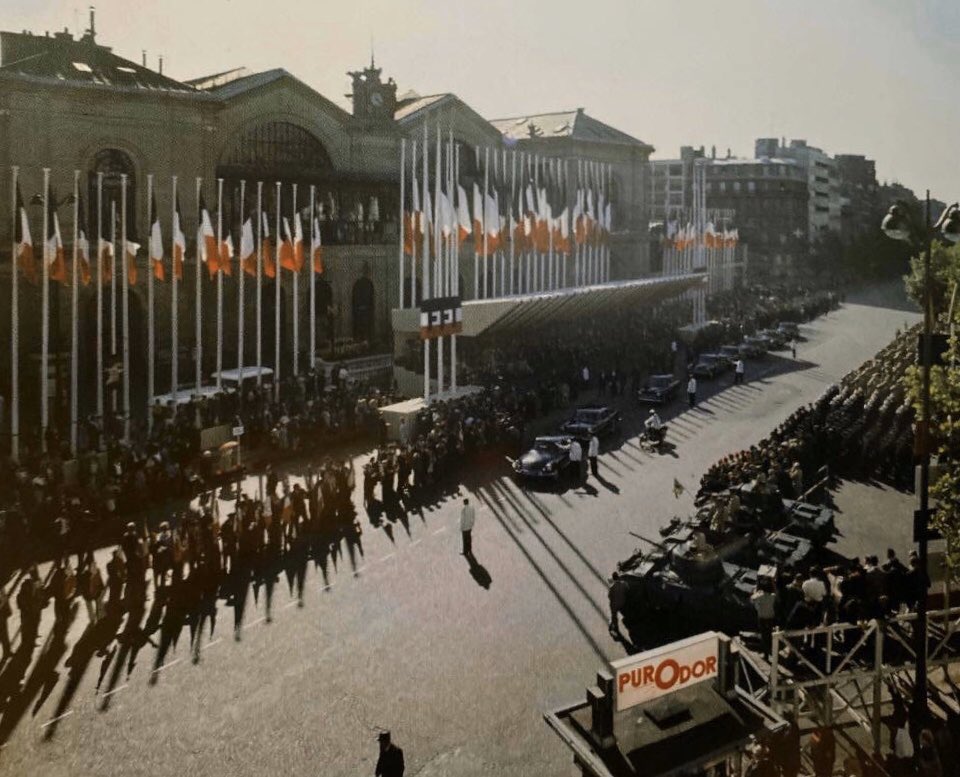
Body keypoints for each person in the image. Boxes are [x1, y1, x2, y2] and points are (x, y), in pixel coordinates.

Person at [608, 572, 628, 637]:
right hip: (624, 602)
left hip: (615, 604)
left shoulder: (612, 587)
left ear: (613, 579)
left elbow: (610, 596)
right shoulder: (624, 584)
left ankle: (615, 626)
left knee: (614, 615)